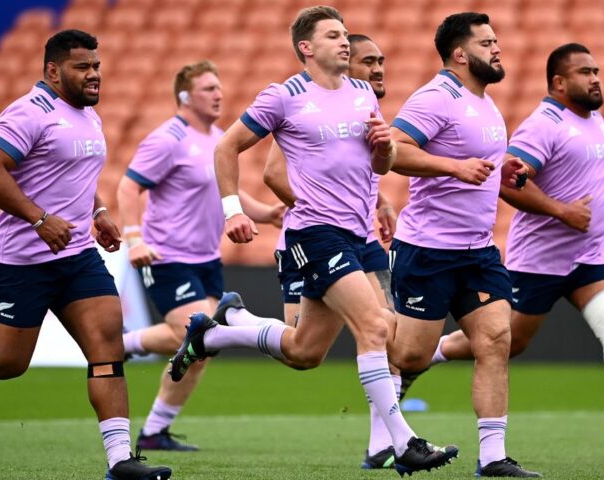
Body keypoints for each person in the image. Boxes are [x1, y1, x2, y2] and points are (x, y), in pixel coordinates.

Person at [168, 7, 459, 477]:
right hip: (315, 234)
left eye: (345, 34)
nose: (345, 42)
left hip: (358, 233)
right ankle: (402, 443)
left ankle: (219, 330)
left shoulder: (363, 92)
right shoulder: (284, 97)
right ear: (307, 47)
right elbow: (226, 148)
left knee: (305, 353)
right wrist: (233, 211)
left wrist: (384, 148)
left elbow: (378, 166)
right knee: (377, 328)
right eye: (333, 35)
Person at [0, 30, 171, 480]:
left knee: (107, 347)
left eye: (96, 66)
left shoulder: (86, 116)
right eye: (83, 67)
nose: (94, 74)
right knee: (6, 364)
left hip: (77, 255)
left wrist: (98, 211)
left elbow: (75, 170)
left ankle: (120, 461)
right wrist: (40, 219)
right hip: (21, 260)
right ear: (54, 71)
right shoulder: (28, 112)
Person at [409, 42, 604, 465]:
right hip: (537, 261)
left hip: (592, 256)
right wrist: (561, 211)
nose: (595, 78)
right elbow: (508, 181)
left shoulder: (596, 120)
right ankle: (430, 355)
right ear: (558, 82)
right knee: (506, 343)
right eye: (584, 72)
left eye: (596, 70)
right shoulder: (545, 124)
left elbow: (580, 179)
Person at [387, 13, 540, 477]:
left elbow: (479, 165)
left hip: (478, 251)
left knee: (496, 340)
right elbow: (393, 150)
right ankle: (383, 401)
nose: (497, 49)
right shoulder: (436, 97)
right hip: (428, 250)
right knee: (411, 355)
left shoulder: (486, 102)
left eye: (497, 41)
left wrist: (505, 171)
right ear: (460, 53)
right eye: (487, 42)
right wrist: (454, 168)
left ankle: (493, 458)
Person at [117, 60, 283, 452]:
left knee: (200, 349)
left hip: (206, 258)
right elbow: (127, 188)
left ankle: (155, 431)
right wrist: (134, 239)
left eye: (219, 87)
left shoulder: (218, 137)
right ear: (186, 97)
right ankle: (120, 345)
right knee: (189, 333)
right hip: (167, 256)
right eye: (209, 88)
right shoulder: (167, 139)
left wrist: (267, 212)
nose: (219, 94)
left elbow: (229, 191)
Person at [260, 33, 398, 469]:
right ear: (345, 66)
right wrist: (314, 207)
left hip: (358, 237)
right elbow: (272, 172)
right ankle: (229, 328)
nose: (378, 69)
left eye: (381, 62)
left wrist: (379, 200)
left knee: (383, 330)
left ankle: (381, 445)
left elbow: (358, 168)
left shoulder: (363, 107)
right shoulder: (308, 110)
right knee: (305, 352)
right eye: (368, 61)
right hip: (311, 241)